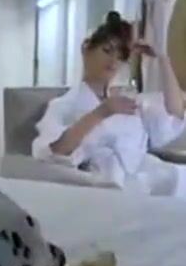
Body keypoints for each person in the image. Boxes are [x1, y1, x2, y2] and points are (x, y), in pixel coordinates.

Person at [32, 11, 186, 196]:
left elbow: (175, 112)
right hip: (108, 187)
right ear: (86, 49)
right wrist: (101, 113)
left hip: (149, 178)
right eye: (107, 50)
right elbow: (54, 151)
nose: (113, 62)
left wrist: (162, 57)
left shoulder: (128, 100)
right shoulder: (64, 105)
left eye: (121, 57)